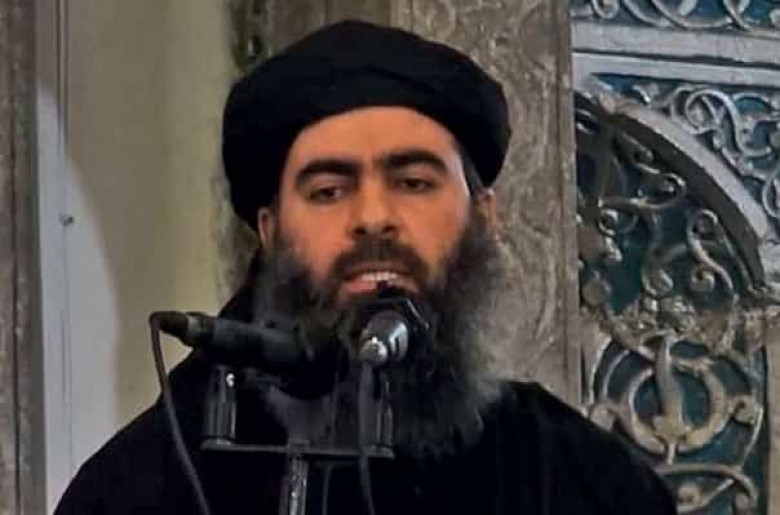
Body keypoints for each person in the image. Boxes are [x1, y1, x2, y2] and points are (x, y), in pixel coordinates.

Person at [55, 20, 677, 514]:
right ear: (270, 231)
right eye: (328, 191)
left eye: (413, 182)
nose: (374, 218)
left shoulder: (579, 480)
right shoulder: (149, 484)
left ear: (483, 216)